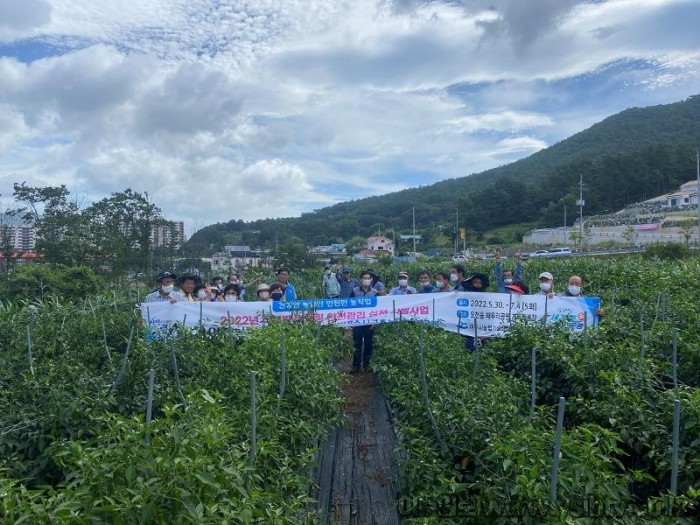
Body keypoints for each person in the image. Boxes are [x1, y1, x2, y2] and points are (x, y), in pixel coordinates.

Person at [349, 271, 378, 373]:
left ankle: (367, 364)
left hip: (369, 322)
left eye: (368, 278)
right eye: (364, 278)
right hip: (357, 322)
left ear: (371, 280)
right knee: (357, 344)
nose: (366, 280)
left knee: (368, 344)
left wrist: (375, 322)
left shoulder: (374, 292)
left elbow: (379, 308)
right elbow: (349, 306)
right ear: (361, 279)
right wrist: (350, 321)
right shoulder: (355, 291)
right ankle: (356, 365)